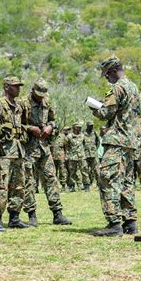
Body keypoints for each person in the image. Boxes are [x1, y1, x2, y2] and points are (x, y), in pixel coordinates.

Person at [90, 56, 141, 237]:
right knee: (126, 181)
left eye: (106, 74)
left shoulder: (117, 88)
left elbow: (106, 113)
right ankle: (130, 222)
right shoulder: (134, 87)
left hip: (117, 140)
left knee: (108, 178)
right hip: (131, 142)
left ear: (112, 71)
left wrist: (94, 107)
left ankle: (114, 223)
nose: (106, 78)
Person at [21, 78, 72, 226]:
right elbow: (15, 124)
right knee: (28, 181)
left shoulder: (47, 102)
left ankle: (57, 214)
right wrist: (30, 128)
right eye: (38, 94)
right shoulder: (23, 103)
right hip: (28, 148)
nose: (41, 97)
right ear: (32, 90)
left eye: (43, 94)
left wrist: (50, 126)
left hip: (44, 147)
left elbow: (53, 120)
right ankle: (32, 215)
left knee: (51, 178)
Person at [0, 76, 29, 229]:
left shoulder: (19, 106)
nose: (18, 88)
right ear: (7, 87)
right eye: (15, 86)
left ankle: (14, 217)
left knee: (19, 185)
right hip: (5, 151)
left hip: (18, 150)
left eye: (19, 86)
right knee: (3, 185)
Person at [65, 122, 90, 192]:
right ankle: (71, 186)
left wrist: (86, 155)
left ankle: (86, 186)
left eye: (80, 127)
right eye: (78, 127)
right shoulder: (69, 136)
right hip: (72, 156)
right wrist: (67, 156)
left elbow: (86, 145)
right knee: (72, 172)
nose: (79, 128)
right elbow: (66, 147)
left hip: (82, 156)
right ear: (74, 127)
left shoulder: (83, 135)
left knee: (84, 171)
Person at [84, 120, 100, 187]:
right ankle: (88, 184)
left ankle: (99, 184)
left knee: (96, 170)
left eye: (92, 126)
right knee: (86, 170)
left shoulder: (95, 133)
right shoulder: (83, 134)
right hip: (85, 154)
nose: (91, 127)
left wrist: (95, 149)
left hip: (94, 154)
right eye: (90, 126)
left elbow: (98, 142)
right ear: (87, 126)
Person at [51, 125, 67, 191]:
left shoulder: (63, 137)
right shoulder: (51, 137)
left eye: (57, 129)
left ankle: (63, 185)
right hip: (52, 157)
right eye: (54, 129)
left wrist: (65, 156)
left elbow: (66, 147)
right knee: (53, 172)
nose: (55, 131)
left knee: (62, 171)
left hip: (61, 157)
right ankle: (54, 186)